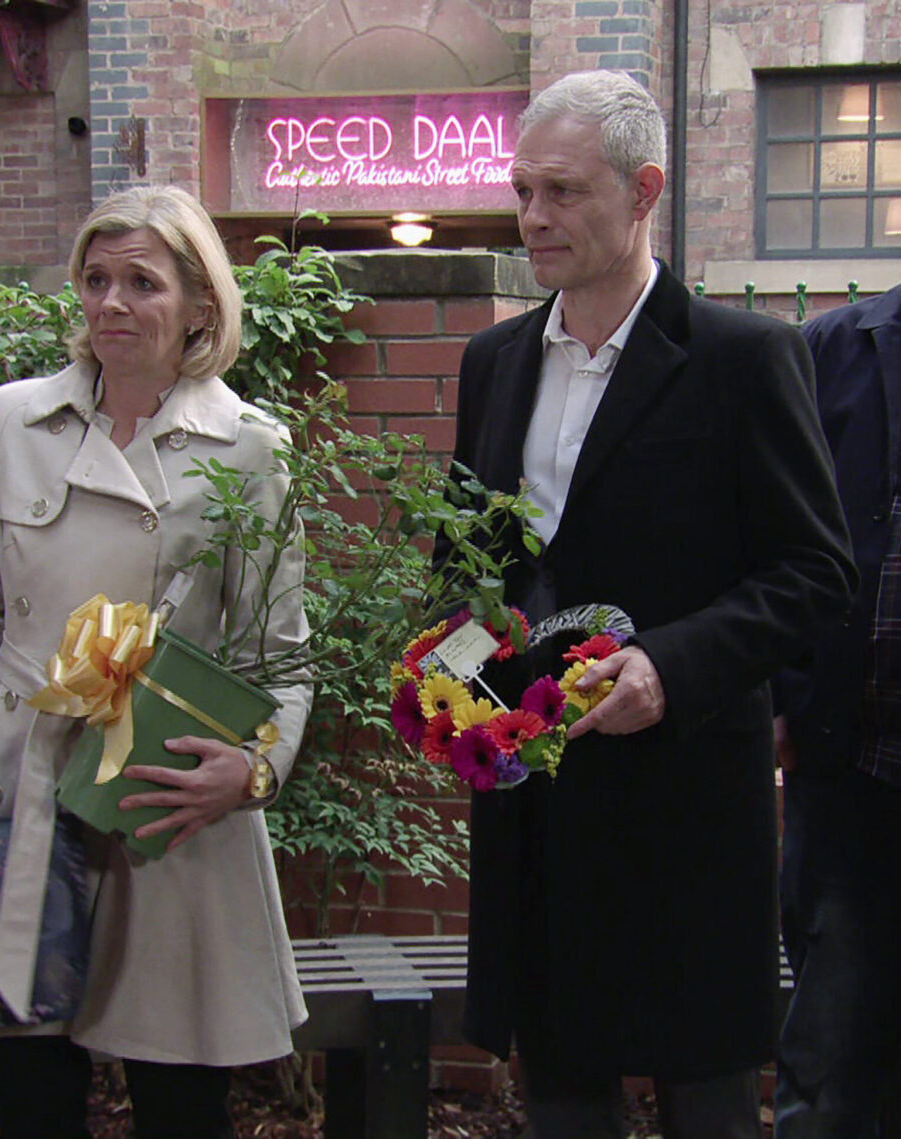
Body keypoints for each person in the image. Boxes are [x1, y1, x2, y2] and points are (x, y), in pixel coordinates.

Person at [448, 70, 856, 1138]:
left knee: (709, 1108)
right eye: (524, 189)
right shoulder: (491, 363)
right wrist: (448, 678)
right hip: (538, 810)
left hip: (687, 815)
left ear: (646, 191)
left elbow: (814, 570)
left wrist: (668, 665)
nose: (534, 217)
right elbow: (473, 567)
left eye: (565, 192)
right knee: (564, 1109)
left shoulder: (744, 357)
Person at [0, 184, 312, 1139]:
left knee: (182, 1106)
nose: (111, 304)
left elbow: (281, 665)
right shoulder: (15, 420)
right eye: (95, 280)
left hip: (164, 804)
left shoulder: (251, 451)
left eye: (142, 281)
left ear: (200, 307)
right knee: (33, 1102)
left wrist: (254, 769)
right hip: (23, 795)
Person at [771, 281, 901, 1137]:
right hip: (858, 769)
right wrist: (784, 694)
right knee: (834, 1069)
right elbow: (772, 536)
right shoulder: (835, 350)